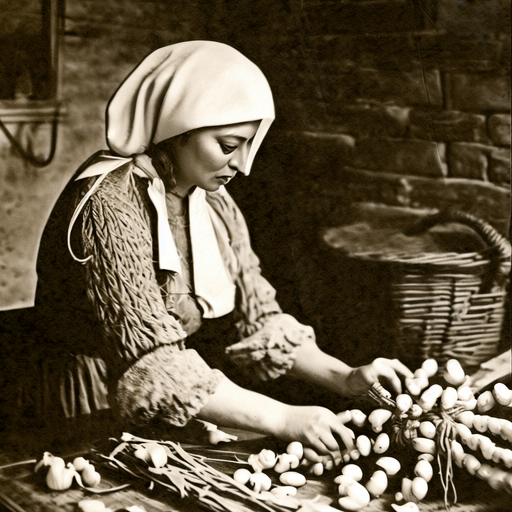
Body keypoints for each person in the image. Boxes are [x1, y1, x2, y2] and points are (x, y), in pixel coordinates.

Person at [31, 41, 412, 459]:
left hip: (171, 402)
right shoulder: (110, 203)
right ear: (179, 129)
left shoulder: (212, 202)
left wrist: (345, 377)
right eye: (229, 146)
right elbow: (150, 362)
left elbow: (257, 319)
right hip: (84, 408)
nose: (243, 165)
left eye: (249, 145)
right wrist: (283, 418)